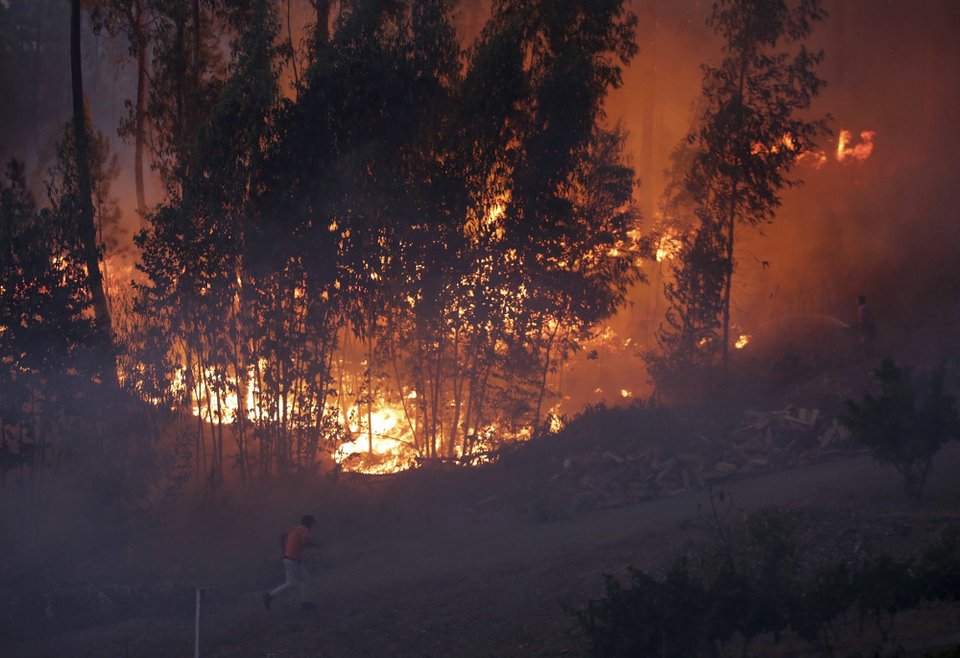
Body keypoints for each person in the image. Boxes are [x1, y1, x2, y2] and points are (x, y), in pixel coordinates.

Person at [263, 514, 319, 611]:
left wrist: (283, 547)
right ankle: (269, 596)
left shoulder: (295, 528)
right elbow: (305, 542)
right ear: (309, 523)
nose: (311, 526)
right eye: (311, 524)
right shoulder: (305, 530)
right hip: (293, 560)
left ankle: (305, 602)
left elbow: (282, 535)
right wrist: (316, 545)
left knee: (306, 579)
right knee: (291, 583)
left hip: (291, 559)